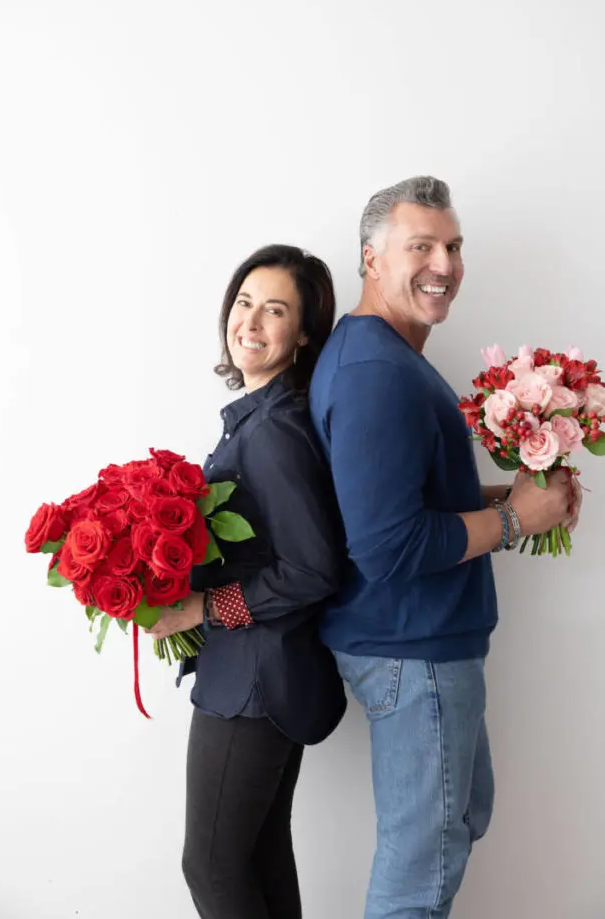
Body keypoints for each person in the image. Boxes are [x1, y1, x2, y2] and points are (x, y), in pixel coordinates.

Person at [309, 176, 581, 919]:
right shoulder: (374, 371)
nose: (443, 264)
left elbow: (397, 507)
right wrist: (516, 521)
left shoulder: (386, 358)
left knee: (454, 828)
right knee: (416, 882)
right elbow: (389, 546)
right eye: (420, 246)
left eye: (453, 246)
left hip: (421, 646)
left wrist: (521, 499)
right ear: (371, 259)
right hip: (412, 650)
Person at [147, 244, 347, 919]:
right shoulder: (260, 419)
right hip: (258, 674)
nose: (250, 323)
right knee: (255, 858)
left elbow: (314, 567)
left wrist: (204, 605)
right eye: (243, 303)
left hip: (256, 682)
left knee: (208, 866)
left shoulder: (274, 432)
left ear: (304, 333)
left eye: (275, 310)